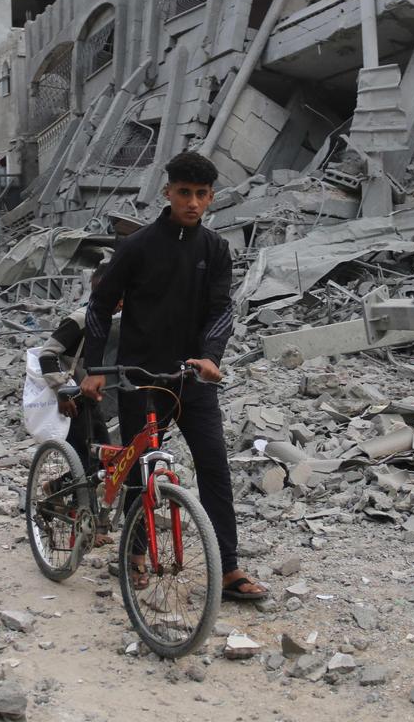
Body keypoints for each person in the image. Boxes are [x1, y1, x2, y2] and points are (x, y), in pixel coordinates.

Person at [81, 150, 267, 601]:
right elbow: (100, 306)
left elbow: (222, 310)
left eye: (201, 195)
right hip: (138, 378)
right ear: (168, 192)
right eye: (184, 193)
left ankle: (228, 568)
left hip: (191, 378)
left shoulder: (216, 250)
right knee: (139, 469)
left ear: (211, 198)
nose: (193, 202)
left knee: (214, 469)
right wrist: (93, 368)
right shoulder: (138, 246)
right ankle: (136, 553)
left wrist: (210, 356)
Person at [38, 265, 117, 546]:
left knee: (103, 462)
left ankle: (56, 489)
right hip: (73, 402)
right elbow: (48, 355)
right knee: (86, 462)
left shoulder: (116, 321)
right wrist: (62, 390)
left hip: (93, 401)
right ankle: (84, 526)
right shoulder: (80, 319)